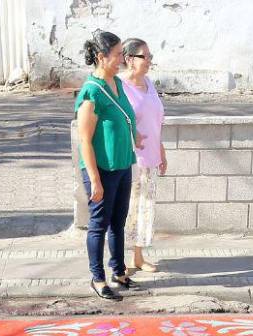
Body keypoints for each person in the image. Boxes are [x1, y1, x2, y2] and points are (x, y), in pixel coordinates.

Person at [75, 30, 143, 300]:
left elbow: (125, 116)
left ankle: (118, 270)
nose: (122, 60)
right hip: (101, 169)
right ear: (102, 57)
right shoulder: (92, 92)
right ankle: (98, 277)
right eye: (117, 55)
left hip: (122, 164)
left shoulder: (117, 82)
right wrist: (94, 179)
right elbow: (85, 140)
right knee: (98, 224)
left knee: (118, 221)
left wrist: (135, 136)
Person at [121, 38, 168, 275]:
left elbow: (156, 121)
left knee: (144, 209)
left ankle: (138, 256)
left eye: (150, 56)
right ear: (129, 59)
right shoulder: (120, 86)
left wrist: (161, 151)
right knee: (126, 210)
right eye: (144, 56)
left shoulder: (149, 83)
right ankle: (119, 259)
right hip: (130, 161)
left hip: (150, 158)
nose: (149, 61)